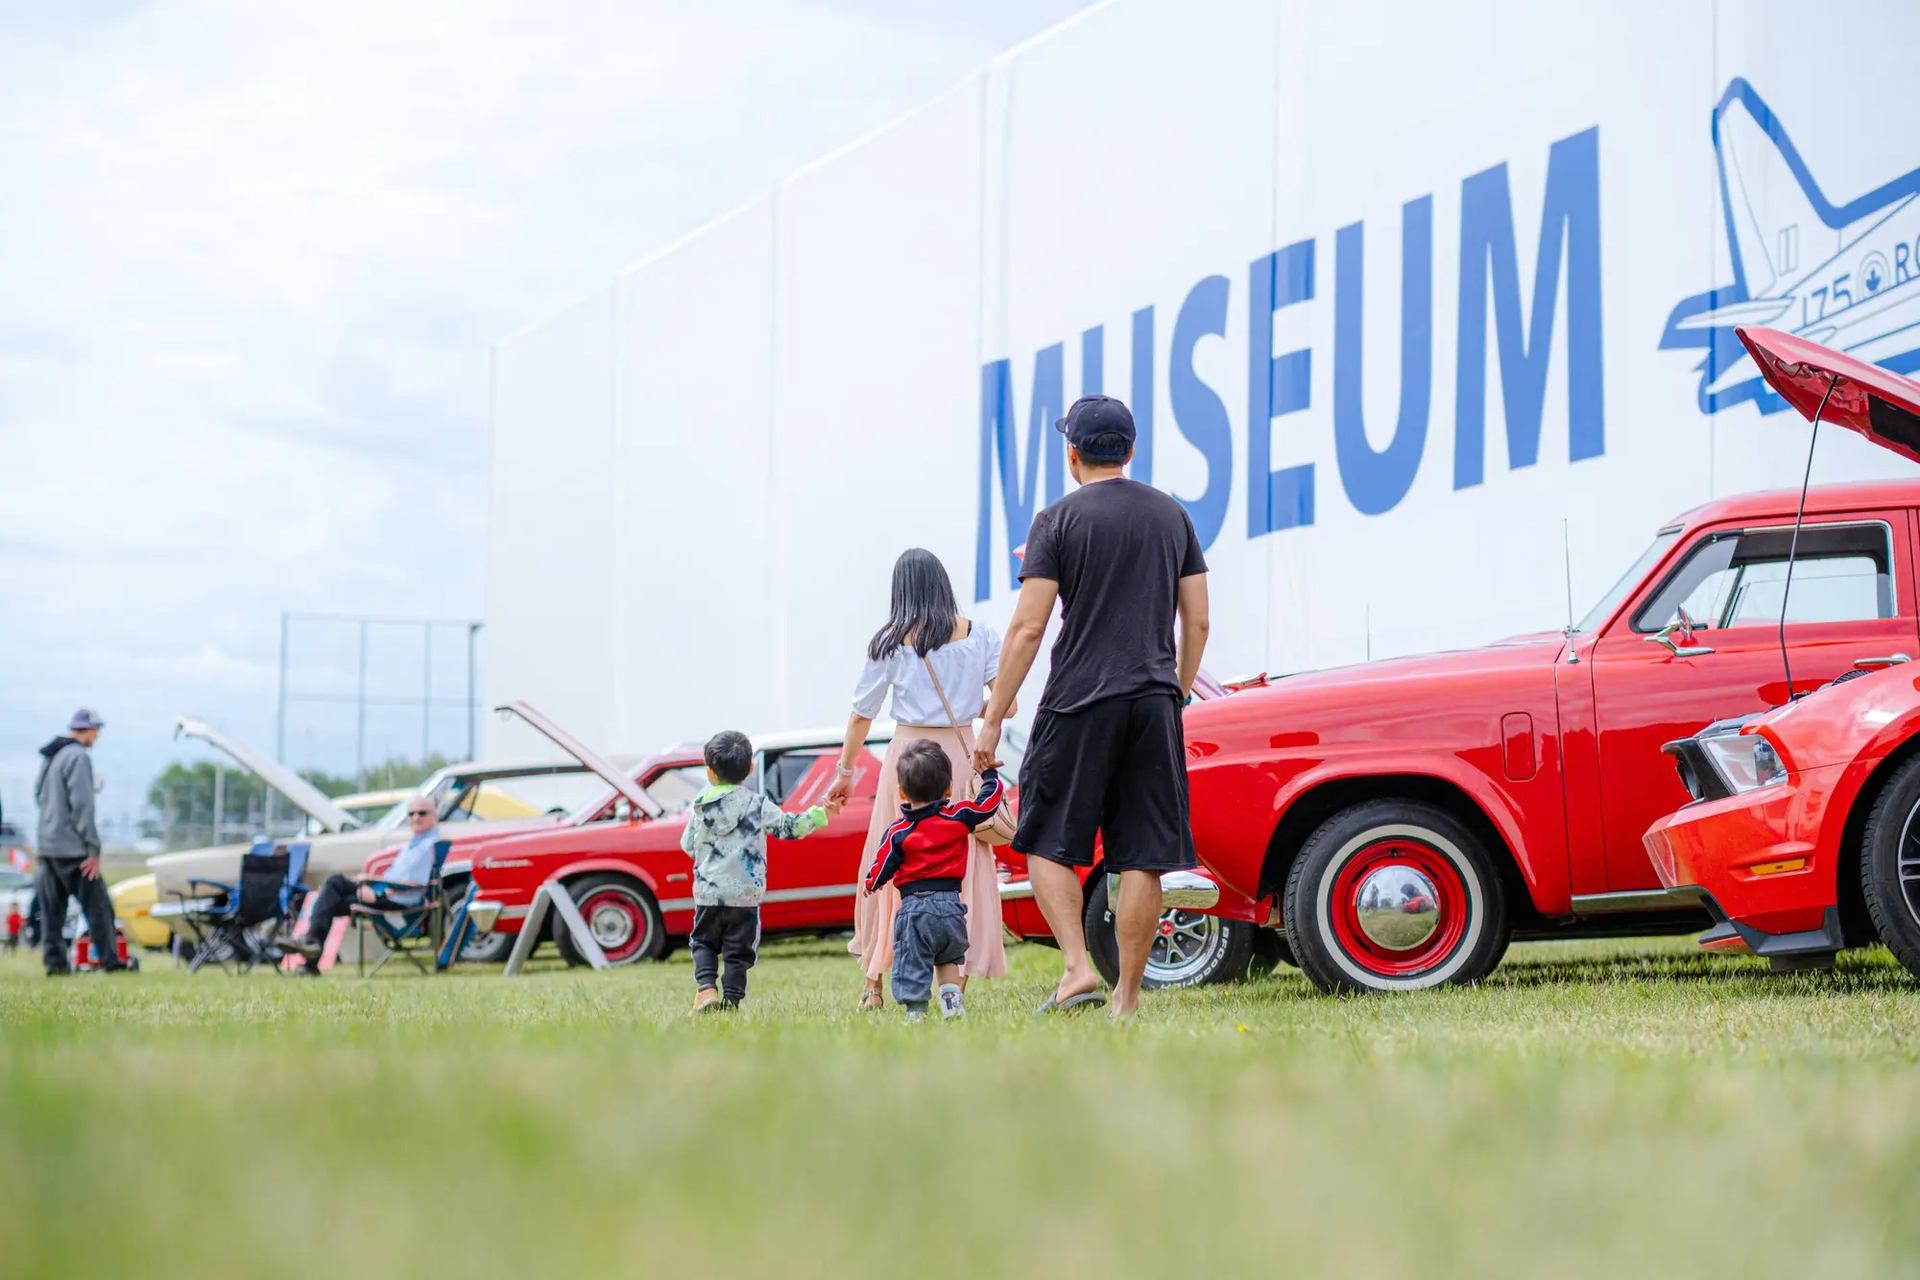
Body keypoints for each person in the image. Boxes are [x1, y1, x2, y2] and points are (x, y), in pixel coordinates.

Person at [973, 394, 1210, 1020]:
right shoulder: (1172, 517)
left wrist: (993, 719)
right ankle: (1127, 999)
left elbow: (1027, 628)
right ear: (1130, 452)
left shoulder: (1056, 520)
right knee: (1141, 855)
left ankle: (1078, 967)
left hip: (1078, 699)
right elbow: (1200, 621)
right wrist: (1177, 690)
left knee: (1046, 841)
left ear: (1072, 454)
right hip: (1153, 700)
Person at [826, 547, 1011, 1011]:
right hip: (960, 755)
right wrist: (977, 715)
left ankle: (873, 983)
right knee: (964, 862)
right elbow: (1005, 705)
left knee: (894, 858)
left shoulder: (889, 643)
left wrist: (845, 773)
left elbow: (860, 716)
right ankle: (956, 985)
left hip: (905, 758)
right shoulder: (980, 635)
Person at [680, 730, 840, 1011]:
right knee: (738, 953)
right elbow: (791, 828)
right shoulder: (758, 804)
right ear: (750, 768)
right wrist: (821, 813)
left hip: (708, 893)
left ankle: (706, 990)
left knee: (703, 942)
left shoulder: (700, 809)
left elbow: (687, 845)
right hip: (745, 896)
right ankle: (731, 1002)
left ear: (709, 772)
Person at [863, 740, 1005, 1023]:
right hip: (952, 906)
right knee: (948, 957)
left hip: (914, 909)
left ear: (902, 793)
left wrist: (871, 883)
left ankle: (916, 1013)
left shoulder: (899, 831)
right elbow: (987, 805)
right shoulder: (959, 816)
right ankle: (952, 1003)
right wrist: (990, 776)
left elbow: (883, 863)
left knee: (912, 959)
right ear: (949, 789)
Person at [281, 796, 441, 973]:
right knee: (332, 901)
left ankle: (310, 945)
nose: (415, 817)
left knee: (334, 882)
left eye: (422, 813)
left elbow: (416, 884)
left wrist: (377, 892)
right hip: (386, 893)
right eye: (411, 814)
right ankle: (310, 958)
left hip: (396, 901)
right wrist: (368, 882)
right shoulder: (414, 843)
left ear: (434, 816)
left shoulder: (428, 845)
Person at [34, 709, 129, 976]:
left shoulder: (51, 757)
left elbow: (38, 796)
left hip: (48, 848)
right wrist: (92, 849)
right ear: (85, 730)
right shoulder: (78, 757)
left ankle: (56, 965)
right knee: (99, 907)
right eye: (95, 730)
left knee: (52, 913)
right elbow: (82, 806)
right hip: (74, 851)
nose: (97, 736)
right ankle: (111, 963)